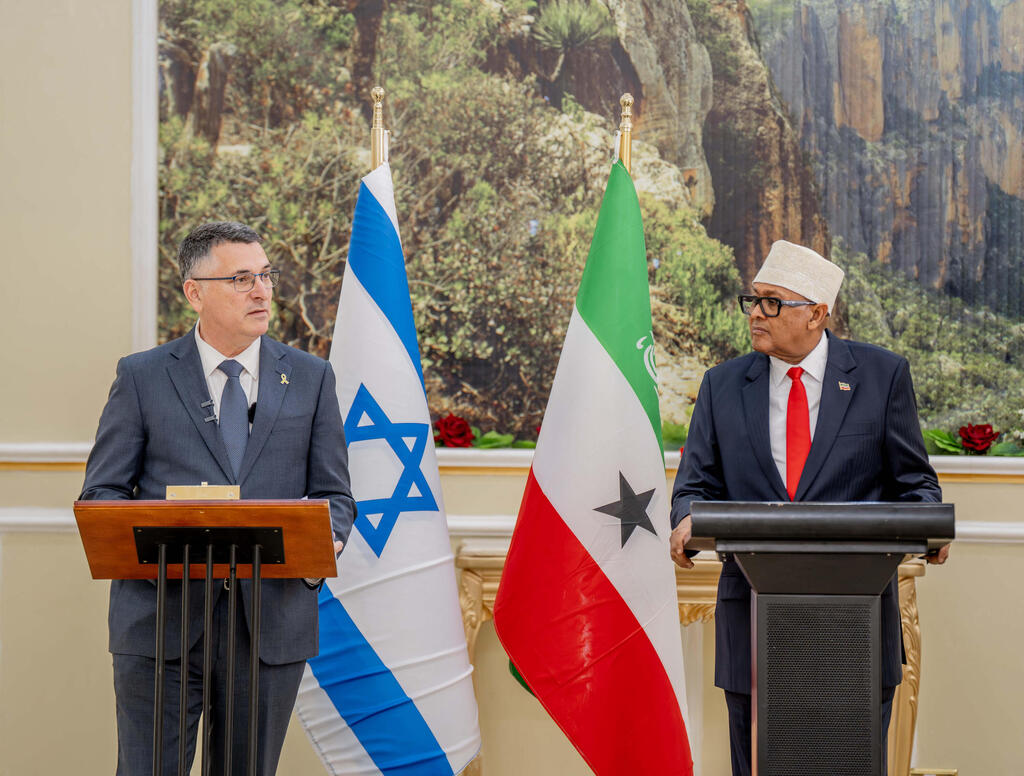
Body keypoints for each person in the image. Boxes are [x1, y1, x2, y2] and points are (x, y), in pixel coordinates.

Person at [80, 221, 356, 775]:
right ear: (194, 292)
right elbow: (103, 493)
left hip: (268, 624)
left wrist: (314, 554)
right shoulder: (142, 377)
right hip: (160, 624)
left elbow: (335, 496)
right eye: (240, 278)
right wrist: (165, 545)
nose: (261, 291)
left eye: (265, 276)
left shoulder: (310, 378)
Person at [669, 240, 949, 776]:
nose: (755, 312)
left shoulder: (881, 376)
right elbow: (694, 487)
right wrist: (686, 517)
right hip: (752, 631)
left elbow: (916, 481)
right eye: (751, 300)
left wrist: (928, 525)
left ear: (818, 313)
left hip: (855, 636)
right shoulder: (722, 385)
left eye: (772, 302)